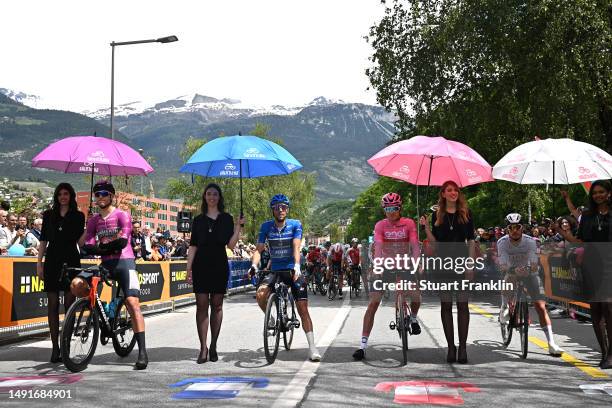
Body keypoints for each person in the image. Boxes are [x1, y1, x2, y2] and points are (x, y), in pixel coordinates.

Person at [83, 180, 148, 370]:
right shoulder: (93, 220)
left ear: (111, 196)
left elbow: (122, 241)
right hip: (106, 264)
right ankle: (101, 313)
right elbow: (86, 245)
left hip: (126, 263)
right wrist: (98, 247)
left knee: (132, 303)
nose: (100, 197)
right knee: (79, 284)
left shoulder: (122, 215)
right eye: (97, 194)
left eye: (104, 193)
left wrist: (99, 247)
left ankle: (142, 351)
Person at [249, 194, 321, 361]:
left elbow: (296, 246)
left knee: (302, 307)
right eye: (276, 207)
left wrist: (296, 266)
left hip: (291, 270)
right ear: (272, 210)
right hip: (275, 271)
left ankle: (312, 347)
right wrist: (254, 265)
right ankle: (272, 318)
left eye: (283, 207)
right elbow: (259, 250)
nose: (280, 210)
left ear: (287, 209)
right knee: (260, 294)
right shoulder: (266, 226)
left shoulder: (295, 224)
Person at [353, 192, 421, 361]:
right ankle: (362, 346)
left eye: (395, 208)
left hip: (405, 264)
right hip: (385, 265)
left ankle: (413, 318)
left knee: (416, 296)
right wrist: (377, 266)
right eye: (388, 208)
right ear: (384, 209)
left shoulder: (409, 223)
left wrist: (417, 262)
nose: (391, 212)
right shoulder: (380, 225)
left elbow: (414, 244)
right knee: (374, 302)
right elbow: (378, 246)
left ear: (400, 208)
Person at [186, 183, 243, 364]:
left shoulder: (226, 218)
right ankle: (203, 347)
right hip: (201, 265)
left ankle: (214, 344)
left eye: (215, 194)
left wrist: (238, 228)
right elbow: (193, 246)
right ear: (204, 197)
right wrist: (188, 269)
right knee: (201, 306)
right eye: (209, 194)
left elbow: (231, 246)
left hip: (219, 264)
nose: (212, 197)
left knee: (217, 305)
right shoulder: (198, 220)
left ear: (219, 198)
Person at [420, 180, 476, 364]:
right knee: (445, 306)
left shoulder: (466, 213)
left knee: (462, 306)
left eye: (455, 190)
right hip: (442, 263)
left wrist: (470, 263)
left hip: (461, 262)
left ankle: (463, 347)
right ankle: (450, 347)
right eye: (449, 190)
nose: (453, 193)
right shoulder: (437, 214)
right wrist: (426, 227)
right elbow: (434, 244)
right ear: (443, 194)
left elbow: (471, 241)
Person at [559, 180, 612, 368]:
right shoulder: (587, 216)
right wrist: (562, 233)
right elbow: (579, 241)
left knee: (608, 307)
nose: (598, 195)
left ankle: (611, 353)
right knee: (596, 311)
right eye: (595, 192)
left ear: (608, 193)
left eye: (601, 192)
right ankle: (604, 353)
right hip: (591, 265)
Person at [498, 213, 564, 356]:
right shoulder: (502, 242)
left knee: (541, 307)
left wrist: (529, 268)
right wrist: (513, 269)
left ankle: (552, 343)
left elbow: (534, 262)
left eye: (518, 227)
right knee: (509, 277)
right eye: (511, 228)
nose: (515, 230)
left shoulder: (529, 241)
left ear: (522, 228)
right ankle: (504, 306)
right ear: (507, 229)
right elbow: (503, 263)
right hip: (512, 270)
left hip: (529, 272)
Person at [36, 183, 85, 363]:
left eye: (66, 194)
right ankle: (55, 347)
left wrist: (88, 229)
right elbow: (43, 241)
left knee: (70, 304)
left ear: (71, 196)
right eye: (60, 194)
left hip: (71, 260)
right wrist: (39, 263)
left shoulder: (79, 216)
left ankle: (65, 344)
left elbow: (80, 243)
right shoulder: (48, 215)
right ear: (56, 197)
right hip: (52, 261)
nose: (63, 197)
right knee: (53, 304)